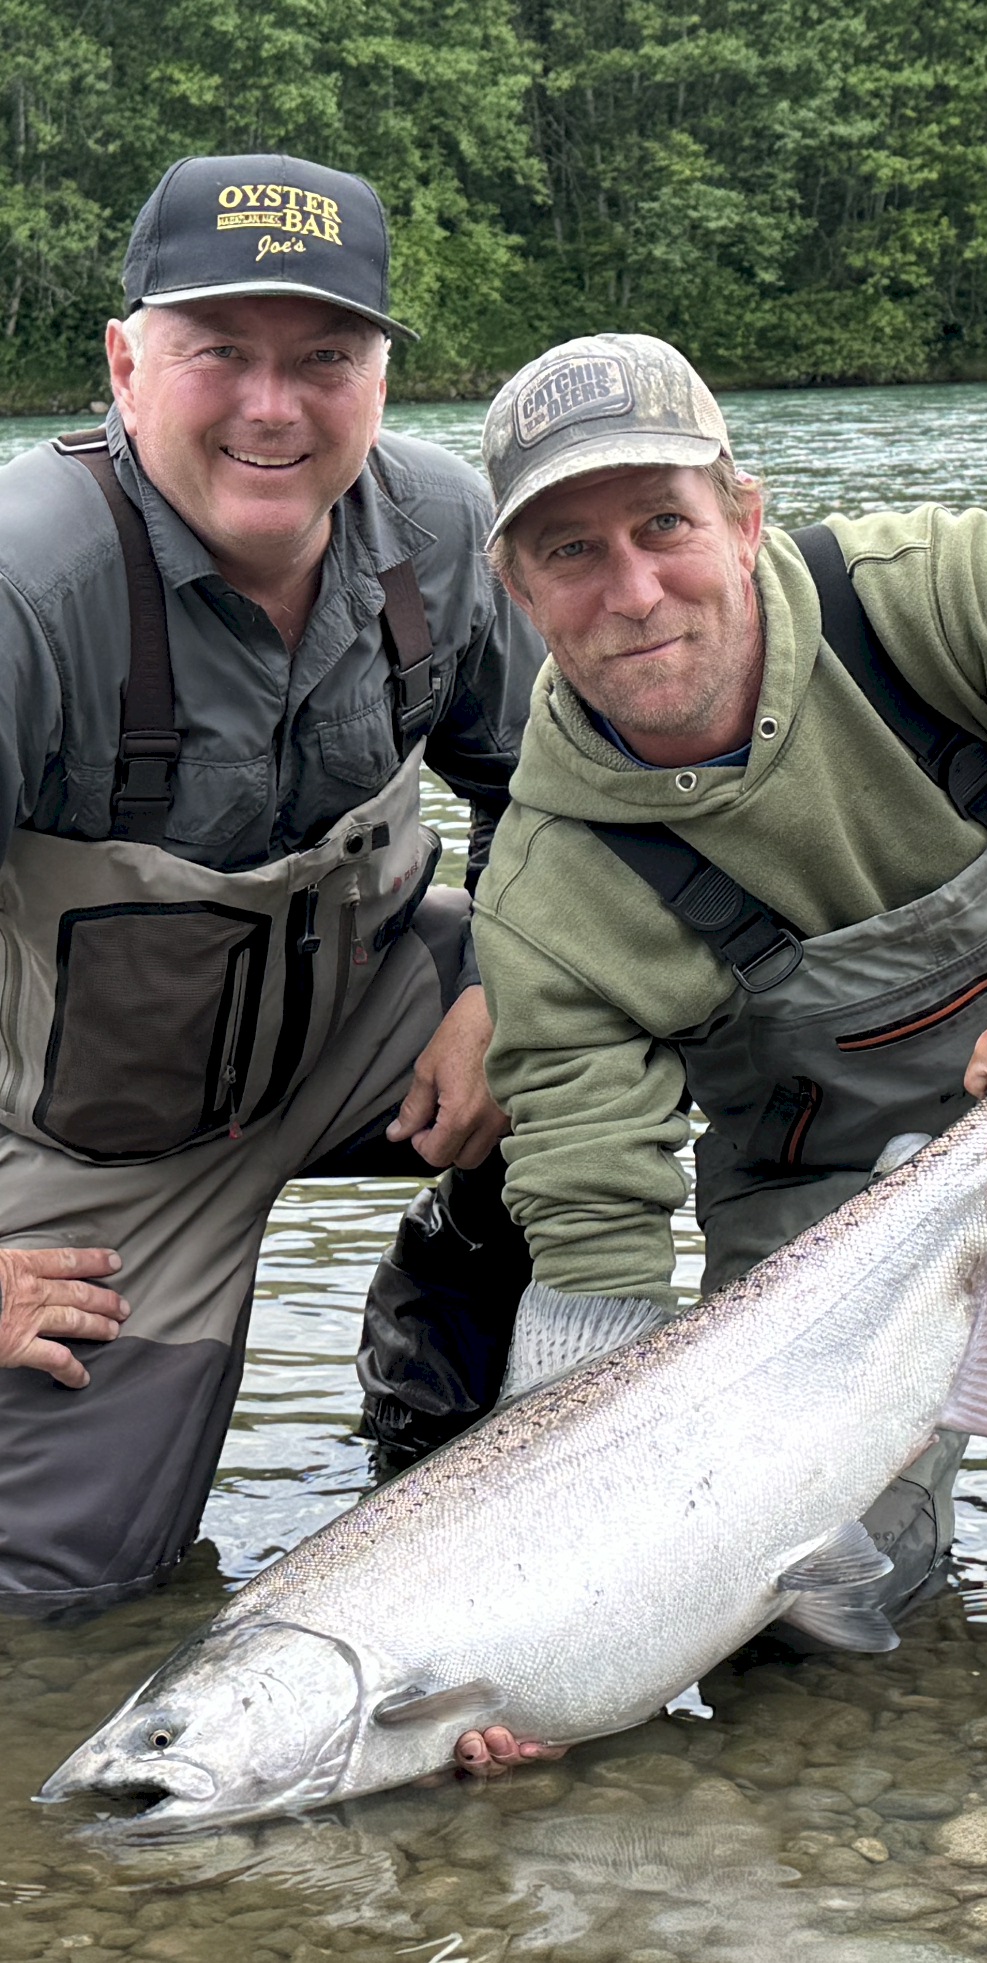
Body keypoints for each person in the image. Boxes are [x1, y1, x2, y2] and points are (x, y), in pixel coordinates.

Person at [453, 330, 987, 1778]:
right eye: (572, 553)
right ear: (518, 591)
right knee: (791, 1632)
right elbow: (595, 1269)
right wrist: (547, 1612)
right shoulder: (544, 895)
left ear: (744, 513)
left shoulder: (925, 600)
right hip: (830, 1248)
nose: (635, 589)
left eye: (664, 523)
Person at [0, 153, 545, 1619]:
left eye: (324, 358)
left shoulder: (444, 533)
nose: (272, 405)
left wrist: (506, 988)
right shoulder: (23, 593)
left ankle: (447, 1424)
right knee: (62, 1604)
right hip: (94, 1143)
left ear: (379, 377)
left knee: (622, 1026)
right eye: (218, 353)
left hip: (363, 1021)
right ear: (125, 364)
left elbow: (564, 799)